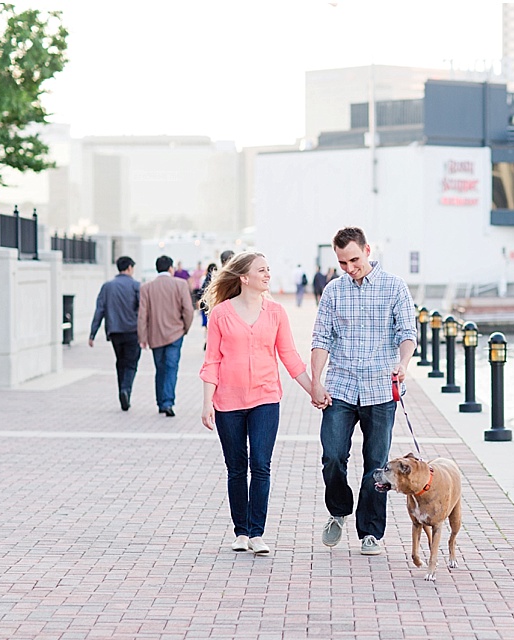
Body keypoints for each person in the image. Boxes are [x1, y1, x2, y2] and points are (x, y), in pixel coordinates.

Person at [200, 252, 319, 554]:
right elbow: (212, 360)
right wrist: (207, 402)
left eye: (268, 269)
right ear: (244, 278)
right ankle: (240, 532)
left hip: (266, 398)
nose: (267, 275)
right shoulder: (221, 314)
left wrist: (313, 389)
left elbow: (290, 356)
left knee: (261, 465)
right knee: (237, 468)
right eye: (261, 270)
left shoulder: (276, 312)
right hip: (228, 401)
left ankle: (257, 533)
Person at [311, 226, 417, 556]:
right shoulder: (333, 291)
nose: (349, 267)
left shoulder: (394, 286)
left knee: (376, 464)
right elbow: (321, 339)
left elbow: (408, 332)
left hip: (381, 388)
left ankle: (370, 531)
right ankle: (339, 511)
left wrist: (404, 362)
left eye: (354, 259)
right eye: (343, 263)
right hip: (340, 386)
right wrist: (316, 380)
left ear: (368, 250)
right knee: (332, 455)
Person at [138, 255, 194, 417]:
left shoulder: (147, 287)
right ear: (171, 268)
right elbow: (188, 310)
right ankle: (168, 402)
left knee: (160, 368)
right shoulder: (180, 284)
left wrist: (142, 337)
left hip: (154, 335)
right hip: (176, 333)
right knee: (171, 367)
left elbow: (142, 315)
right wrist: (185, 328)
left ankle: (161, 402)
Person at [88, 256, 141, 411]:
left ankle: (122, 392)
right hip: (132, 331)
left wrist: (92, 334)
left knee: (120, 362)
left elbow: (100, 310)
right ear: (130, 268)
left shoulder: (107, 286)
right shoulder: (136, 285)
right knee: (131, 364)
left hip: (115, 332)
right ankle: (126, 390)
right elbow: (143, 310)